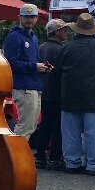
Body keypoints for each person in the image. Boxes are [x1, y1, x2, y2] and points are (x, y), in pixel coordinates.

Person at [52, 13, 95, 175]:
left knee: (71, 133)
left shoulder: (66, 48)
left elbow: (57, 72)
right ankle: (94, 165)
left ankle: (72, 163)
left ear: (76, 30)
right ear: (94, 30)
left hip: (70, 96)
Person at [2, 3, 50, 140]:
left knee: (31, 126)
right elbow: (10, 63)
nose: (30, 20)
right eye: (26, 17)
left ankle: (18, 157)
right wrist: (35, 66)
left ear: (36, 18)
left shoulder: (33, 38)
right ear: (20, 18)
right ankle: (15, 159)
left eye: (32, 17)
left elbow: (33, 62)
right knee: (25, 127)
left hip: (34, 86)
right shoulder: (14, 36)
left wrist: (43, 67)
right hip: (24, 87)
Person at [33, 18, 69, 169]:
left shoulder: (40, 47)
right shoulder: (61, 50)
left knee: (44, 125)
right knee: (57, 127)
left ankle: (40, 156)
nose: (66, 32)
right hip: (57, 93)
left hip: (42, 91)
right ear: (56, 32)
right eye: (64, 30)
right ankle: (54, 158)